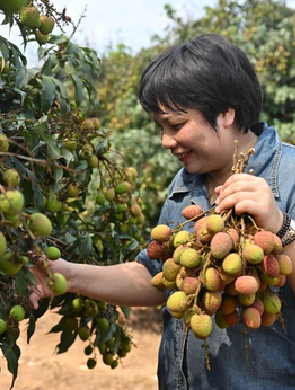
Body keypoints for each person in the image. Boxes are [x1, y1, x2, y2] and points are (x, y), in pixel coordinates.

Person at [30, 34, 295, 390]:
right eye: (160, 128)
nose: (166, 141)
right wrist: (66, 275)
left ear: (226, 112)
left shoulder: (289, 175)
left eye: (176, 125)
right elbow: (158, 277)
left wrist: (281, 228)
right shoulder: (186, 182)